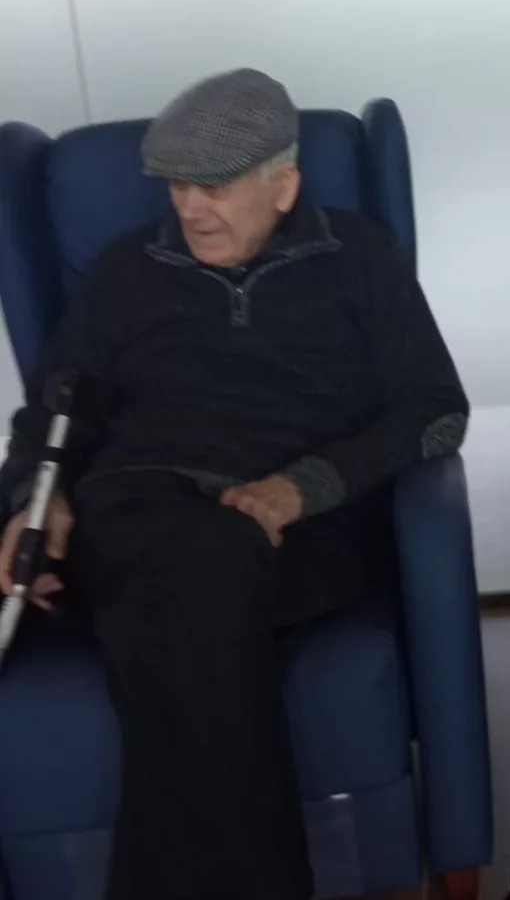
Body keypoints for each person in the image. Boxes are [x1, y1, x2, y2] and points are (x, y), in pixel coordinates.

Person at [0, 69, 469, 900]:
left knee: (196, 613)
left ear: (282, 185)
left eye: (212, 186)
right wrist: (39, 499)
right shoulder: (127, 271)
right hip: (138, 509)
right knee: (203, 579)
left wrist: (301, 487)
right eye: (176, 185)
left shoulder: (360, 258)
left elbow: (435, 413)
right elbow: (55, 410)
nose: (189, 208)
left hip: (296, 533)